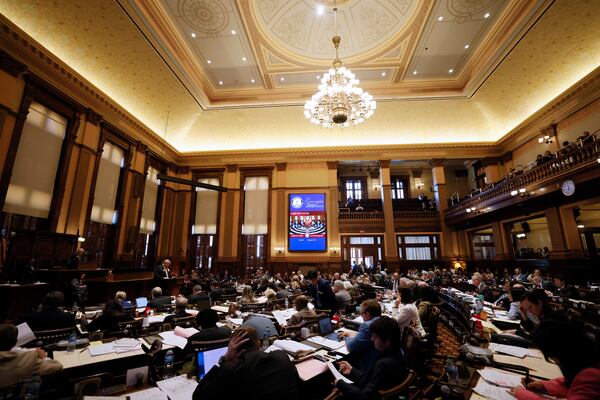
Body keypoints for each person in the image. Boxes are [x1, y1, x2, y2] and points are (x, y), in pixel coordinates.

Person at [192, 326, 300, 400]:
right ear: (258, 344)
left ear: (233, 349)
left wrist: (224, 359)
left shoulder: (229, 369)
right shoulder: (282, 356)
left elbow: (197, 396)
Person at [510, 319, 600, 399]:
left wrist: (524, 395)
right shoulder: (586, 362)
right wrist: (544, 385)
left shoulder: (591, 375)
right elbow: (574, 383)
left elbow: (583, 383)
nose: (554, 360)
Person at [335, 316, 408, 399]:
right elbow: (372, 381)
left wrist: (339, 383)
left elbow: (364, 396)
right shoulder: (397, 354)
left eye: (375, 336)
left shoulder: (383, 364)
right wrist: (351, 371)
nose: (372, 339)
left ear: (387, 341)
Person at [339, 299, 381, 372]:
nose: (361, 316)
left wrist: (347, 337)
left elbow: (351, 347)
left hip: (370, 368)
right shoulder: (382, 320)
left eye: (362, 313)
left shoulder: (367, 326)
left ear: (367, 314)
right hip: (383, 364)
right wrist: (355, 335)